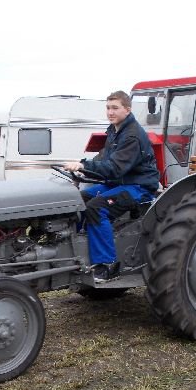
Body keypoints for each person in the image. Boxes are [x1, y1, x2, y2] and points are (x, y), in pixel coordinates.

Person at [64, 90, 160, 281]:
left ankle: (107, 264)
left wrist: (84, 166)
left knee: (96, 207)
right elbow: (104, 158)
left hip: (138, 187)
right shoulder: (115, 130)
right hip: (119, 183)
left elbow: (115, 168)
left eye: (115, 108)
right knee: (78, 200)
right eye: (108, 108)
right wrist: (82, 165)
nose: (110, 112)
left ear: (127, 109)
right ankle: (77, 252)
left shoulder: (132, 135)